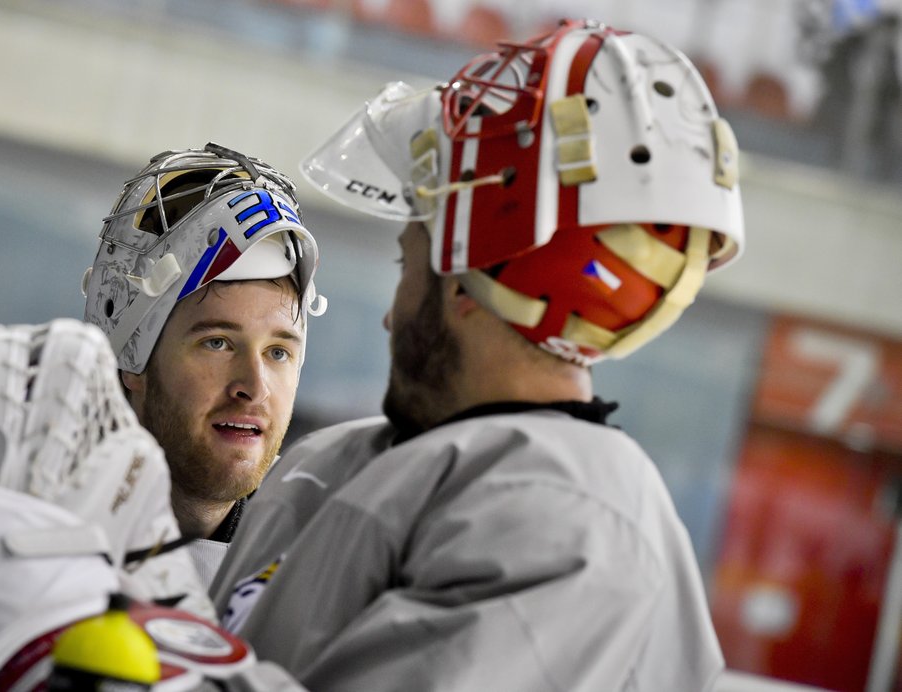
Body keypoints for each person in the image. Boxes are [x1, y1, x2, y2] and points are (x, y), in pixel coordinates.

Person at [208, 18, 745, 691]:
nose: (388, 313)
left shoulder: (561, 513)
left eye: (407, 263)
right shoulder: (357, 461)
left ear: (463, 278)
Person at [82, 143, 326, 586]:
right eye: (217, 343)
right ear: (132, 352)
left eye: (278, 352)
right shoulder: (10, 535)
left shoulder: (314, 582)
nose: (254, 387)